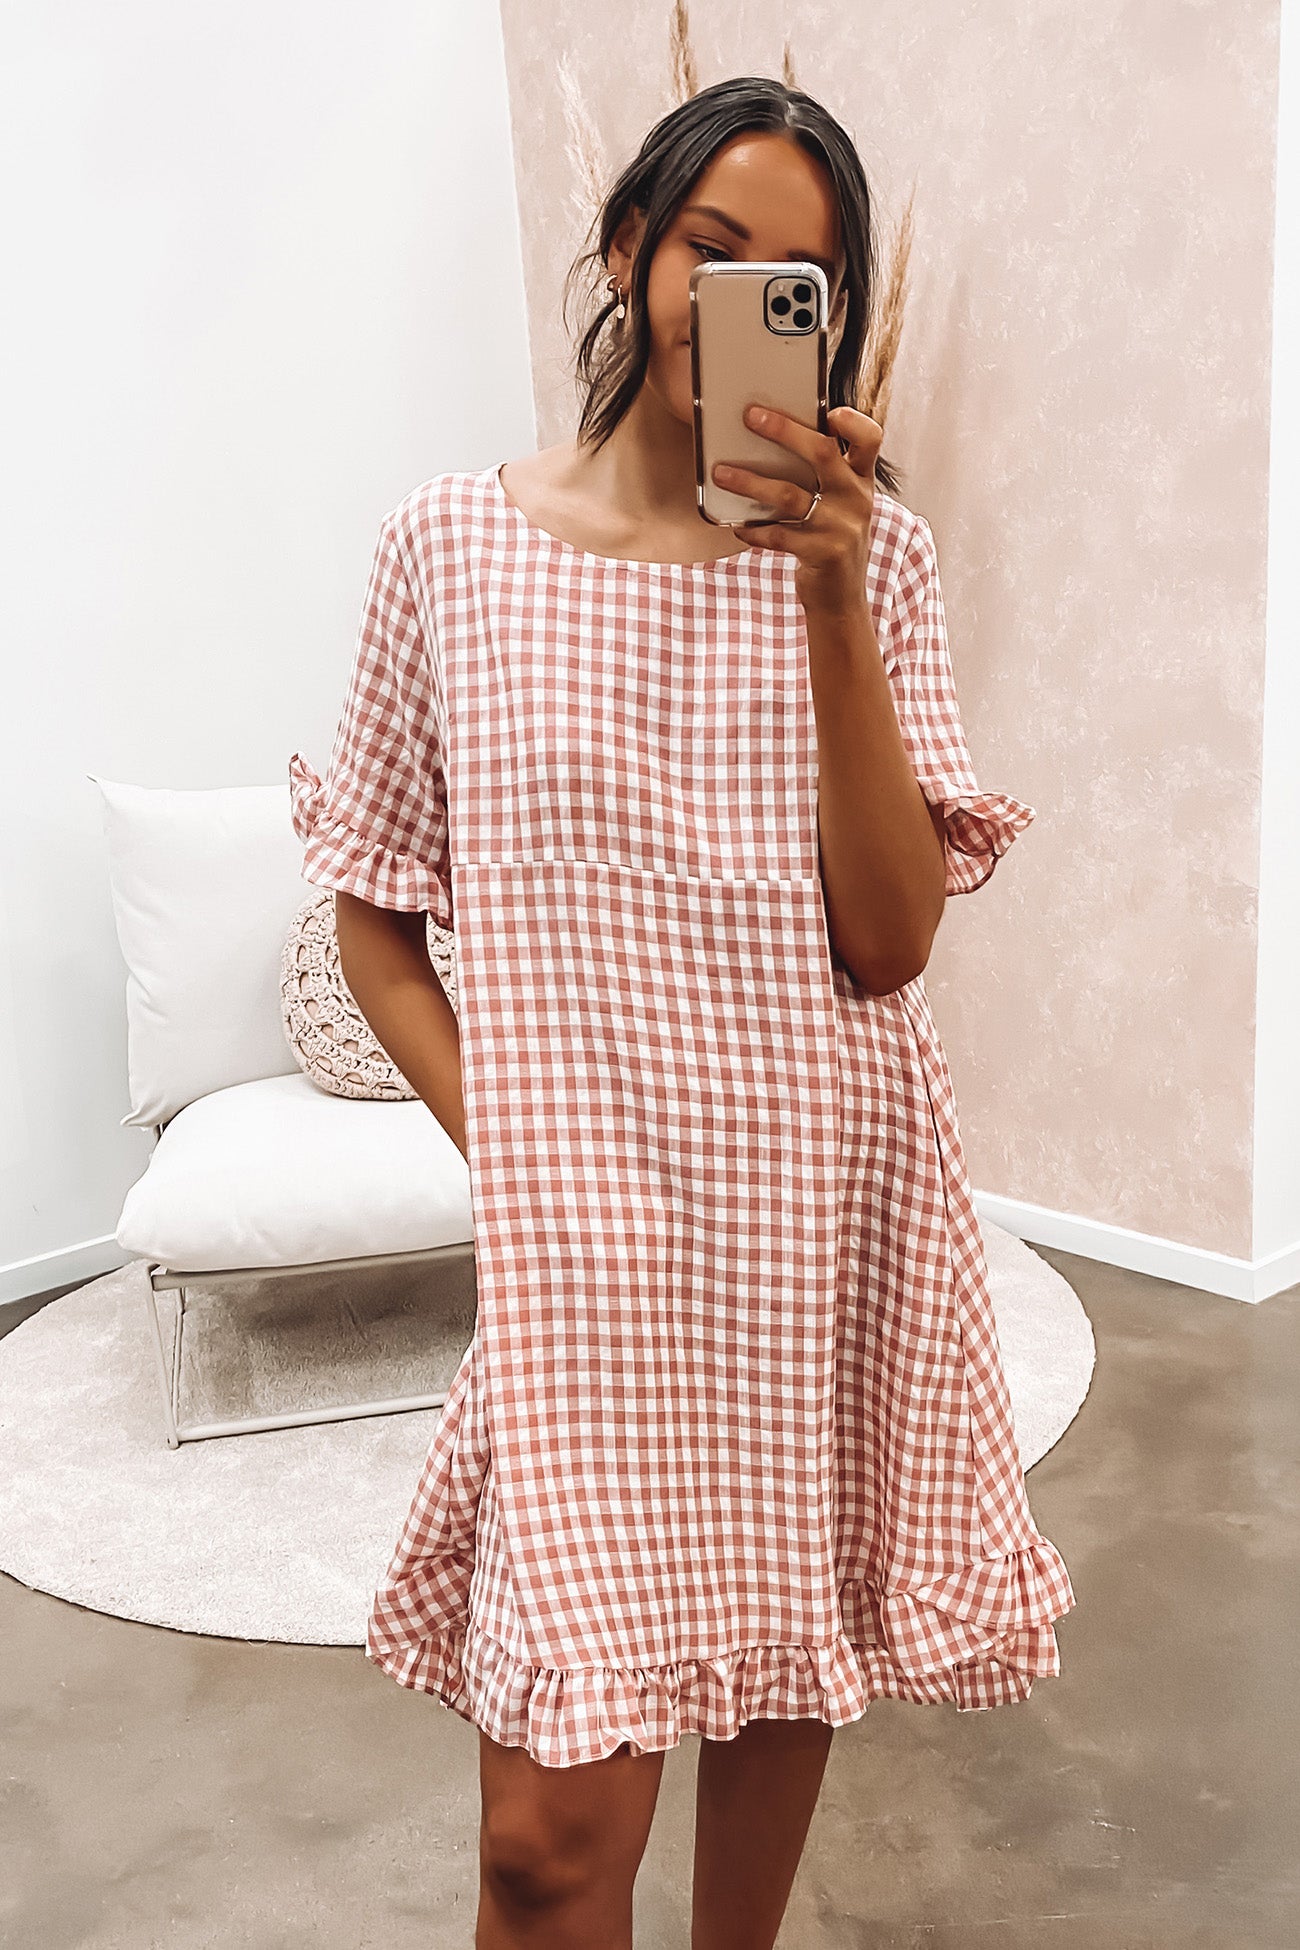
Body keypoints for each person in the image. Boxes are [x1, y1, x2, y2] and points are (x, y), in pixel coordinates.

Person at [289, 74, 1075, 1950]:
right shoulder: (450, 548)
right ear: (633, 247)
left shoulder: (874, 564)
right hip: (589, 1251)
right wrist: (511, 1140)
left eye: (795, 284)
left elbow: (890, 938)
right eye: (713, 252)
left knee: (780, 1649)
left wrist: (830, 606)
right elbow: (375, 916)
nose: (740, 307)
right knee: (544, 1842)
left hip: (817, 1210)